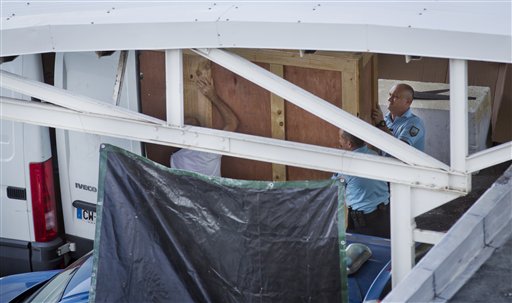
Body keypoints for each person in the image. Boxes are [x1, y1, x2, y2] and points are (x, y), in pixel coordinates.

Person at [170, 61, 239, 176]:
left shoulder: (175, 159)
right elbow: (232, 123)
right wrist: (213, 96)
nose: (192, 121)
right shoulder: (206, 151)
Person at [333, 129, 390, 238]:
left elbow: (333, 188)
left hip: (364, 222)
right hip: (385, 215)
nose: (338, 141)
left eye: (340, 138)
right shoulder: (375, 155)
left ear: (349, 144)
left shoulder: (346, 165)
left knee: (359, 251)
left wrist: (337, 162)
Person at [372, 83, 425, 153]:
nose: (389, 99)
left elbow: (400, 150)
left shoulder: (415, 123)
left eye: (395, 97)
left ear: (408, 102)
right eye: (390, 94)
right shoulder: (386, 119)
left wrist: (381, 124)